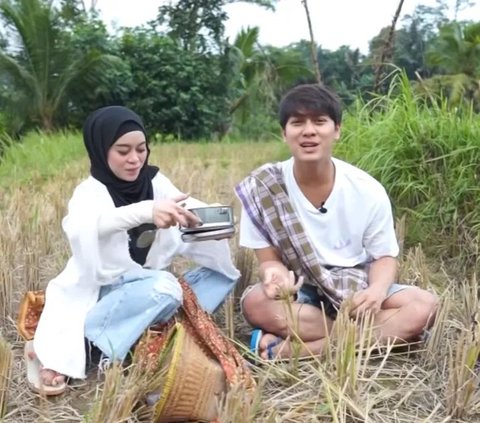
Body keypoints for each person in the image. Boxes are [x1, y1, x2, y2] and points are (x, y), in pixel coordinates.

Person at [29, 106, 240, 393]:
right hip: (103, 289)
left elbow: (179, 210)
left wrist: (210, 224)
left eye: (141, 149)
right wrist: (146, 211)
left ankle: (140, 334)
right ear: (101, 149)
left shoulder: (154, 182)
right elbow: (88, 227)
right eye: (123, 150)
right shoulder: (89, 193)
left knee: (223, 276)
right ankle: (93, 342)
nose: (134, 159)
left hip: (144, 286)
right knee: (166, 289)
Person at [235, 83, 438, 360]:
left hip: (357, 288)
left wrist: (377, 292)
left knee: (424, 306)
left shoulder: (366, 189)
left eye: (320, 121)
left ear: (337, 130)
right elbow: (269, 261)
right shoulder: (263, 187)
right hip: (302, 290)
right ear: (284, 133)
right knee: (256, 303)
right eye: (297, 123)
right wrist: (275, 278)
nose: (309, 131)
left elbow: (384, 257)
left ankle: (297, 351)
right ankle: (383, 339)